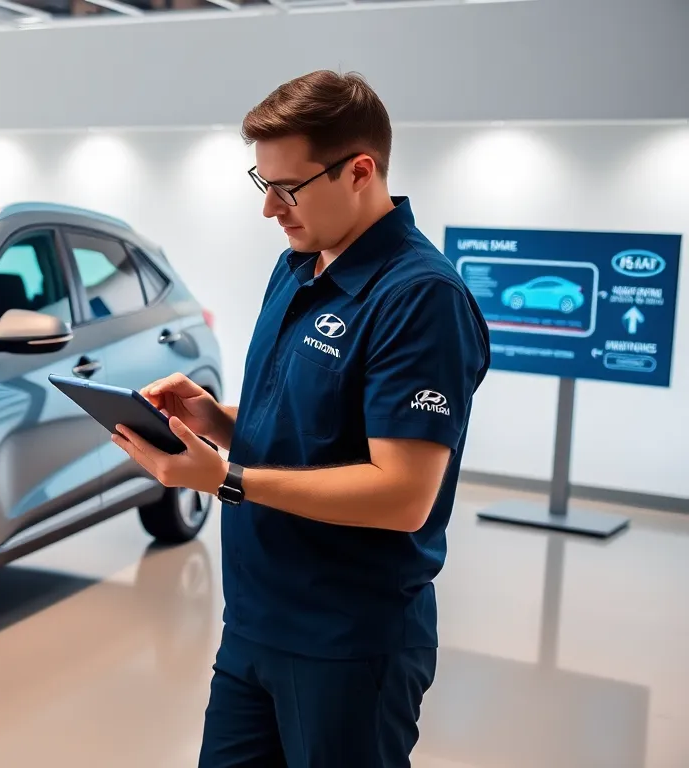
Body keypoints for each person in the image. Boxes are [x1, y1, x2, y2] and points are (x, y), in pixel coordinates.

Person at [109, 70, 491, 767]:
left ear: (360, 171)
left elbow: (403, 494)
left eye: (287, 189)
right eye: (263, 186)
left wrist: (225, 480)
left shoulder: (421, 299)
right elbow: (301, 429)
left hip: (349, 642)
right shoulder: (298, 266)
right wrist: (217, 418)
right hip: (255, 622)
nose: (270, 210)